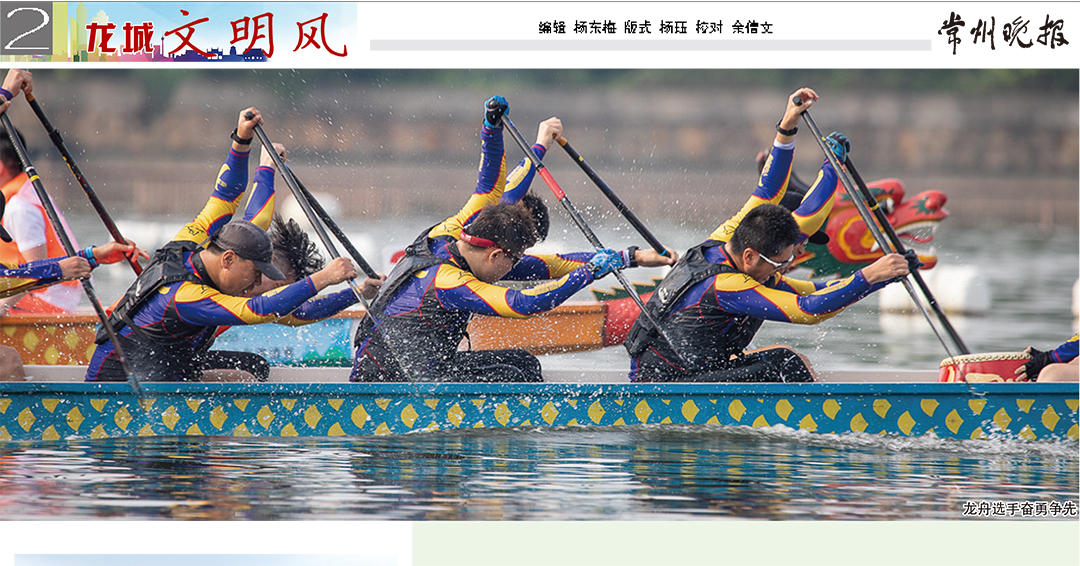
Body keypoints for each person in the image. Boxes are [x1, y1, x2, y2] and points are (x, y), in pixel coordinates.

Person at [352, 96, 676, 383]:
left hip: (422, 367)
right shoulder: (449, 280)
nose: (515, 269)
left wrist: (493, 130)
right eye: (514, 259)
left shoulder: (455, 230)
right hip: (392, 379)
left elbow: (495, 190)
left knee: (523, 363)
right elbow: (524, 304)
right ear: (495, 256)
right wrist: (590, 273)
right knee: (513, 374)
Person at [625, 87, 915, 383]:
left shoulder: (728, 237)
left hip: (677, 371)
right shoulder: (728, 285)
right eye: (779, 262)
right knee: (785, 363)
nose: (785, 266)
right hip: (665, 385)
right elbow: (809, 310)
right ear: (750, 255)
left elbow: (769, 191)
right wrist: (869, 276)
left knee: (789, 357)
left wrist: (788, 125)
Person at [85, 108, 358, 382]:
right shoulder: (187, 296)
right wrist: (325, 278)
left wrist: (246, 147)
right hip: (119, 385)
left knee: (255, 367)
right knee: (246, 376)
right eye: (256, 274)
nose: (253, 285)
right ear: (228, 259)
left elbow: (227, 197)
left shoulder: (195, 242)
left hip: (163, 367)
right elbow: (259, 310)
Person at [0, 69, 86, 314]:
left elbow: (35, 271)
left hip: (48, 298)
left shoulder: (19, 205)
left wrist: (2, 307)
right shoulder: (23, 193)